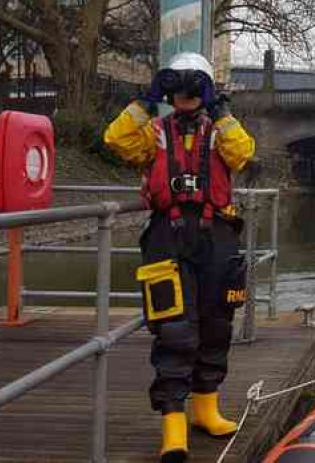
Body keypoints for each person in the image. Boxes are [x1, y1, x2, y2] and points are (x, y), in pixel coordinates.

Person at [104, 52, 255, 462]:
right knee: (173, 328)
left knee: (216, 322)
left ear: (206, 91)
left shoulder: (221, 133)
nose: (185, 95)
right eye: (178, 86)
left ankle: (206, 409)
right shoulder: (153, 132)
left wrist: (221, 111)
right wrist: (144, 102)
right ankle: (173, 423)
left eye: (195, 86)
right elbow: (115, 140)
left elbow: (242, 153)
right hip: (166, 236)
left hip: (217, 235)